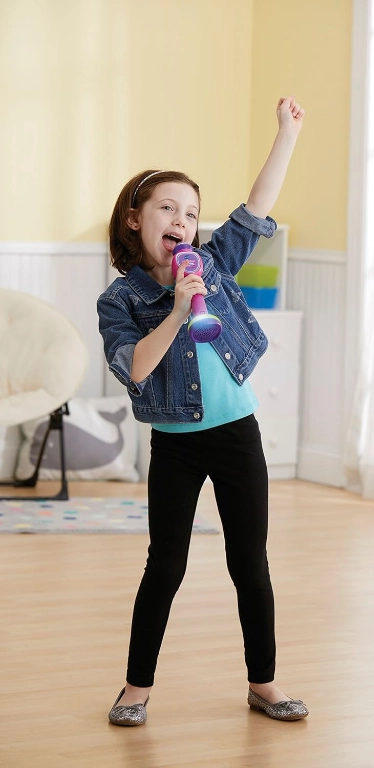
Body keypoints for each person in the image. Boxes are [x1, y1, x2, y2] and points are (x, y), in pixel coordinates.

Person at [97, 96, 308, 726]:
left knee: (250, 563)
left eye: (191, 212)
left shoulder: (213, 263)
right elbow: (135, 368)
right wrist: (175, 310)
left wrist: (287, 134)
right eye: (168, 208)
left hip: (238, 432)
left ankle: (263, 683)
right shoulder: (121, 300)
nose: (182, 220)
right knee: (166, 565)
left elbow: (256, 207)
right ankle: (135, 689)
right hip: (177, 442)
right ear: (135, 219)